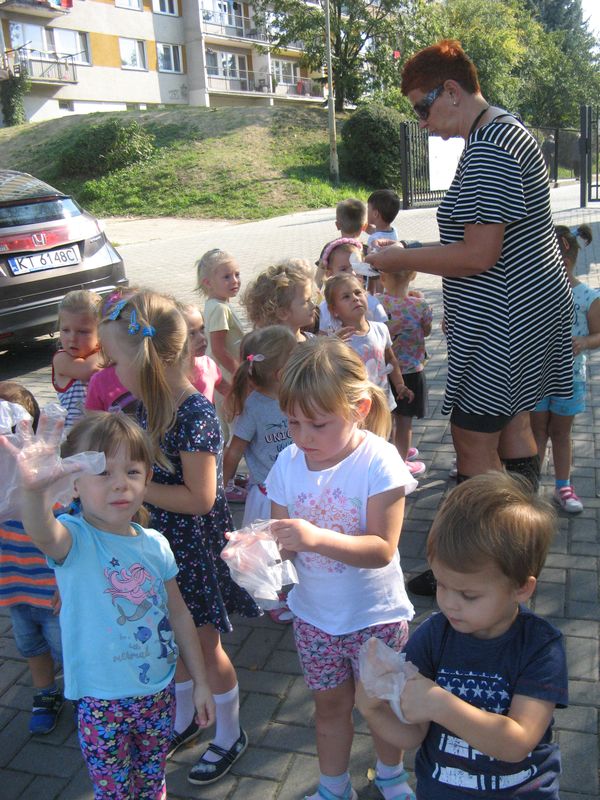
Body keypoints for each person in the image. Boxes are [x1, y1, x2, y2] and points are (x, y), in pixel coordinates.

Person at [367, 40, 573, 594]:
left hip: (504, 321)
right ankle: (518, 551)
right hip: (527, 312)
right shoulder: (506, 130)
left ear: (451, 91)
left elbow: (479, 255)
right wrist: (413, 249)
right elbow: (482, 242)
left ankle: (471, 566)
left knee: (472, 441)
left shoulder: (489, 150)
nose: (424, 124)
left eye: (423, 107)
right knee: (515, 427)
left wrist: (401, 259)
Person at [10, 411, 215, 799]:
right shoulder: (74, 540)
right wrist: (34, 493)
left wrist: (202, 682)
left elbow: (179, 615)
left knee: (152, 781)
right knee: (114, 793)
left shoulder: (155, 545)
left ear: (147, 478)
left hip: (158, 694)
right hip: (101, 702)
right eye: (103, 472)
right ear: (73, 484)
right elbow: (42, 532)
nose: (120, 483)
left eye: (132, 472)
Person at [99, 291, 260, 785]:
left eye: (115, 359)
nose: (110, 370)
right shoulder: (141, 409)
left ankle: (230, 732)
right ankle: (187, 717)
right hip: (156, 550)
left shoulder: (194, 414)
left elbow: (201, 498)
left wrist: (136, 487)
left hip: (191, 555)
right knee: (169, 642)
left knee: (205, 649)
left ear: (145, 358)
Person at [266, 337, 418, 800]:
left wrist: (313, 538)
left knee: (383, 705)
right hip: (315, 619)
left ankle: (391, 776)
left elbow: (382, 548)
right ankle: (334, 787)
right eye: (293, 422)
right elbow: (280, 541)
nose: (303, 437)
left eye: (318, 424)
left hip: (376, 617)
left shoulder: (379, 461)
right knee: (330, 708)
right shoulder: (287, 463)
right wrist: (259, 554)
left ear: (359, 409)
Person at [356, 472, 568, 800]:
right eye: (441, 585)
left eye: (469, 595)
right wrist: (373, 708)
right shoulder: (434, 635)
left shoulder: (540, 647)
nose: (449, 603)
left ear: (521, 588)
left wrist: (439, 704)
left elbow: (517, 743)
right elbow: (413, 735)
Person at [0, 383, 63, 735]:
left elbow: (70, 534)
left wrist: (66, 583)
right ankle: (45, 693)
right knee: (30, 645)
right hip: (16, 588)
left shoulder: (46, 479)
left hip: (51, 591)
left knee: (66, 648)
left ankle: (84, 694)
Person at [531, 224, 596, 513]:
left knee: (560, 433)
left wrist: (585, 341)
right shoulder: (535, 294)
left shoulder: (587, 296)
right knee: (536, 431)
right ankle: (530, 485)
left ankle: (563, 486)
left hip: (569, 378)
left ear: (565, 261)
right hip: (536, 376)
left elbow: (598, 334)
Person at [223, 325, 297, 526]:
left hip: (299, 490)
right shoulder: (253, 407)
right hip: (268, 498)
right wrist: (219, 491)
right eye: (296, 357)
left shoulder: (299, 396)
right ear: (281, 373)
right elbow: (234, 451)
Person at [324, 275, 415, 421]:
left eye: (358, 292)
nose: (355, 298)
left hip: (383, 404)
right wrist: (331, 347)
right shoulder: (338, 340)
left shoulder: (380, 329)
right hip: (355, 410)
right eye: (346, 297)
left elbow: (390, 359)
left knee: (386, 435)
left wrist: (399, 385)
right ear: (334, 309)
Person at [377, 269, 432, 473]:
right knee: (404, 422)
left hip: (385, 371)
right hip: (411, 371)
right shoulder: (421, 305)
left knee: (386, 419)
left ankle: (384, 460)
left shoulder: (377, 303)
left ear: (383, 277)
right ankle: (400, 465)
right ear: (413, 276)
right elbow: (426, 331)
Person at [196, 248, 244, 443]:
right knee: (234, 425)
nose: (234, 281)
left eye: (237, 274)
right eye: (226, 277)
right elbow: (218, 348)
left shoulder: (217, 304)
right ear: (208, 283)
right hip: (227, 377)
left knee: (227, 424)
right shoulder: (219, 309)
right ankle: (229, 460)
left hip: (223, 374)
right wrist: (240, 373)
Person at [52, 290, 102, 427]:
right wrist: (111, 348)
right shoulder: (61, 359)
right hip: (72, 434)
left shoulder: (100, 357)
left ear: (101, 331)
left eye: (82, 332)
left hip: (98, 429)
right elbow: (88, 370)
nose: (72, 338)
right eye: (65, 330)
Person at [317, 238, 387, 334]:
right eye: (343, 269)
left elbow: (385, 333)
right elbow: (322, 337)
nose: (352, 273)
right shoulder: (325, 309)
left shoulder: (372, 303)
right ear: (330, 273)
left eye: (357, 267)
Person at [242, 259, 317, 343]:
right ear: (283, 313)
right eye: (306, 301)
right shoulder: (266, 348)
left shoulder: (313, 341)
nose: (313, 305)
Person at [179, 303, 231, 404]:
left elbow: (226, 390)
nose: (202, 337)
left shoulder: (208, 364)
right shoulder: (171, 373)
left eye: (202, 329)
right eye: (192, 333)